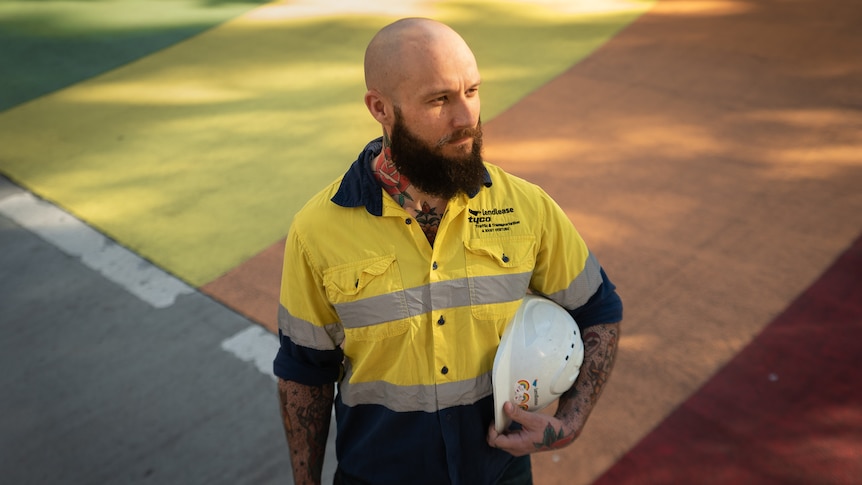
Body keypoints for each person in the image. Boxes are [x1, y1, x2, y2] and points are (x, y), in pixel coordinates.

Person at [274, 17, 623, 485]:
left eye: (472, 92)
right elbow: (305, 374)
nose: (466, 119)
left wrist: (571, 420)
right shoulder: (317, 230)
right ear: (381, 108)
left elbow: (598, 309)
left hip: (500, 475)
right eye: (439, 100)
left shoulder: (527, 207)